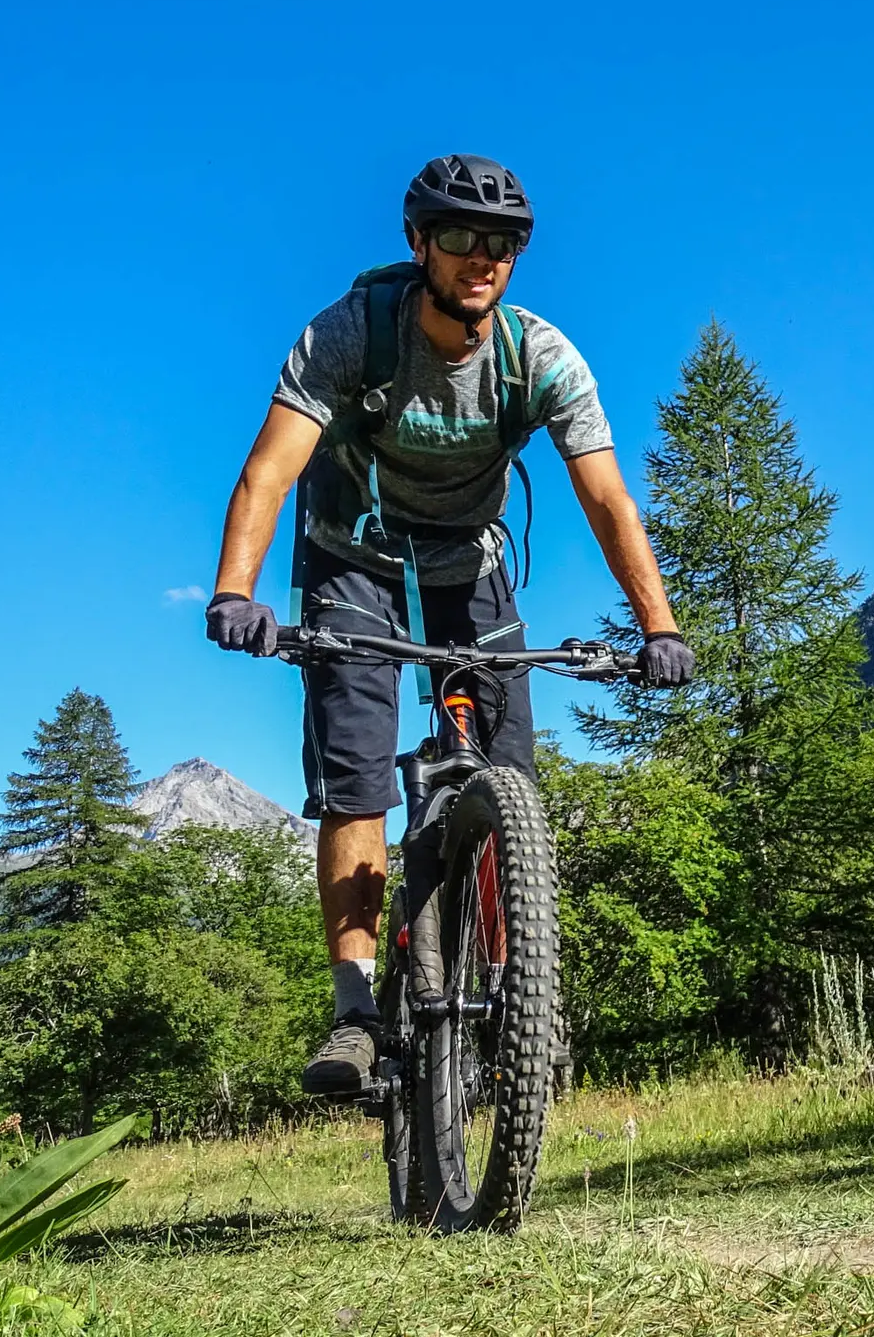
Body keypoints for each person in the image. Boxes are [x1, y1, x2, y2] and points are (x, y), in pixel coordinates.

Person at [205, 154, 693, 1095]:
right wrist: (235, 592)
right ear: (419, 242)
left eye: (503, 243)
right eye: (462, 238)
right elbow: (269, 468)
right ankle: (354, 1010)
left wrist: (659, 626)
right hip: (354, 555)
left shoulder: (539, 357)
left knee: (508, 779)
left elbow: (608, 500)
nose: (483, 259)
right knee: (356, 779)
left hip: (468, 562)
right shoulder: (351, 334)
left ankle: (518, 994)